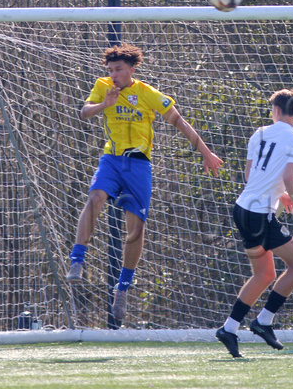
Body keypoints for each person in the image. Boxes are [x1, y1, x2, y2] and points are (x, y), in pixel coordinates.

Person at [66, 43, 223, 321]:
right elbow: (84, 112)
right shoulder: (102, 87)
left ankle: (122, 289)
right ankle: (77, 259)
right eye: (110, 70)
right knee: (95, 199)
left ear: (132, 70)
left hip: (138, 164)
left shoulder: (147, 93)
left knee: (135, 229)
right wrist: (105, 104)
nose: (113, 74)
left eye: (119, 70)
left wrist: (206, 152)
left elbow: (180, 122)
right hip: (112, 159)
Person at [216, 88, 293, 358]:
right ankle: (263, 321)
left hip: (243, 209)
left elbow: (251, 174)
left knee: (265, 274)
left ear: (275, 111)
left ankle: (230, 328)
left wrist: (278, 194)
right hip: (260, 214)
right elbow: (288, 175)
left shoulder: (259, 133)